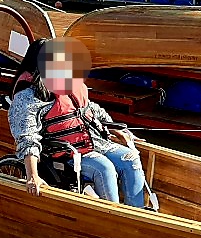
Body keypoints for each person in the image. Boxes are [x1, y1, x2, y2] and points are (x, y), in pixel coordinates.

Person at [8, 38, 146, 208]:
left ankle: (136, 213)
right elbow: (27, 136)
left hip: (94, 142)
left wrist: (115, 128)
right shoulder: (28, 96)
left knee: (130, 158)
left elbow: (92, 110)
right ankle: (113, 218)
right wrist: (32, 175)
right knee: (105, 168)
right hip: (64, 152)